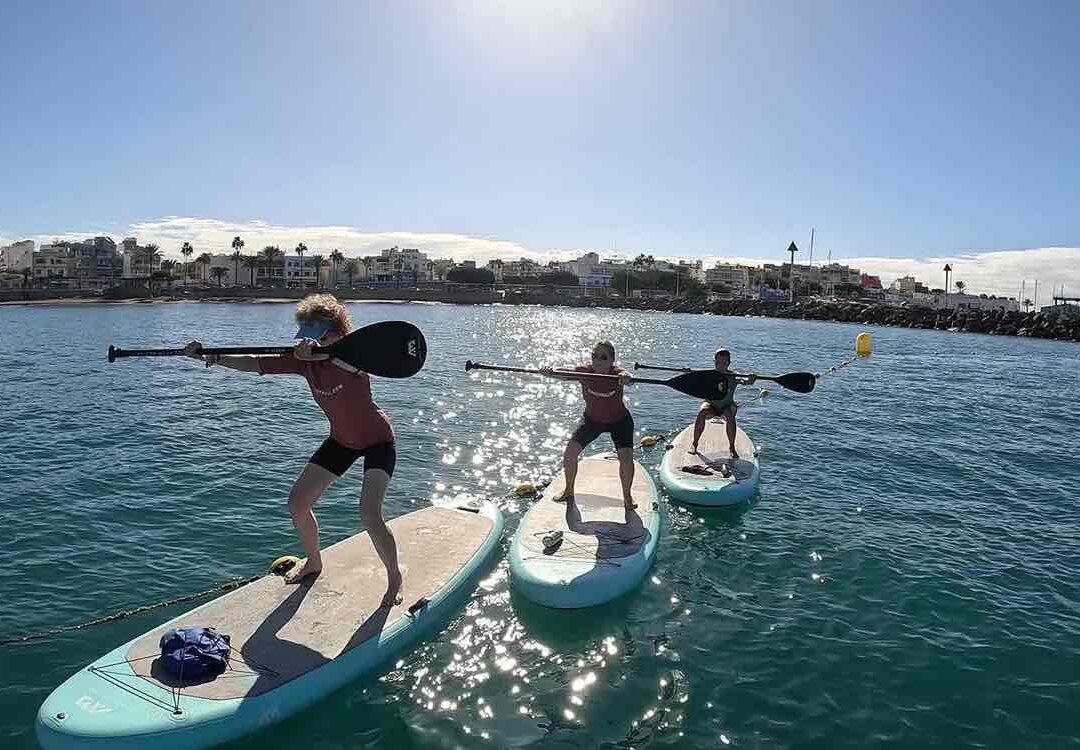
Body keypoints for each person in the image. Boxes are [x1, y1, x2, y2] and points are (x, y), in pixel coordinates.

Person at [183, 294, 402, 607]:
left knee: (369, 513)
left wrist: (320, 354)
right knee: (297, 504)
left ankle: (394, 576)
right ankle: (314, 561)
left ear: (337, 331)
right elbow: (254, 363)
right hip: (341, 440)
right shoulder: (302, 360)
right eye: (312, 336)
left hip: (378, 441)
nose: (316, 342)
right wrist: (211, 355)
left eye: (323, 336)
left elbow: (360, 363)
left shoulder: (356, 353)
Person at [541, 341, 637, 509]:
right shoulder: (584, 372)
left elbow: (628, 378)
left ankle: (627, 497)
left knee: (626, 459)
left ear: (612, 360)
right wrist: (550, 373)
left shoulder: (617, 374)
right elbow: (565, 374)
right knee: (570, 453)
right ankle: (569, 490)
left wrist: (627, 378)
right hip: (592, 421)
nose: (598, 360)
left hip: (620, 422)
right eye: (594, 356)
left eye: (603, 357)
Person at [689, 348, 756, 459]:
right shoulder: (709, 375)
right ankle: (694, 444)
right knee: (702, 412)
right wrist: (688, 373)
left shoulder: (733, 376)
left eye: (724, 363)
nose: (720, 366)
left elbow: (745, 381)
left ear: (729, 363)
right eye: (717, 363)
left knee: (730, 416)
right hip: (711, 405)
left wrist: (750, 379)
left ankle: (732, 447)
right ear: (714, 362)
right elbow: (694, 377)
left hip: (727, 405)